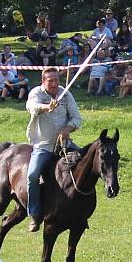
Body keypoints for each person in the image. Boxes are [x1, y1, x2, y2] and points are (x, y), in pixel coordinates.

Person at [25, 67, 83, 232]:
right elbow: (31, 107)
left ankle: (80, 211)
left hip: (64, 144)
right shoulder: (36, 93)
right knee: (32, 175)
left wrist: (68, 129)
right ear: (43, 81)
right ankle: (35, 214)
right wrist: (46, 107)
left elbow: (77, 117)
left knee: (86, 162)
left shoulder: (65, 94)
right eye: (50, 80)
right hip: (43, 145)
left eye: (56, 80)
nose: (54, 83)